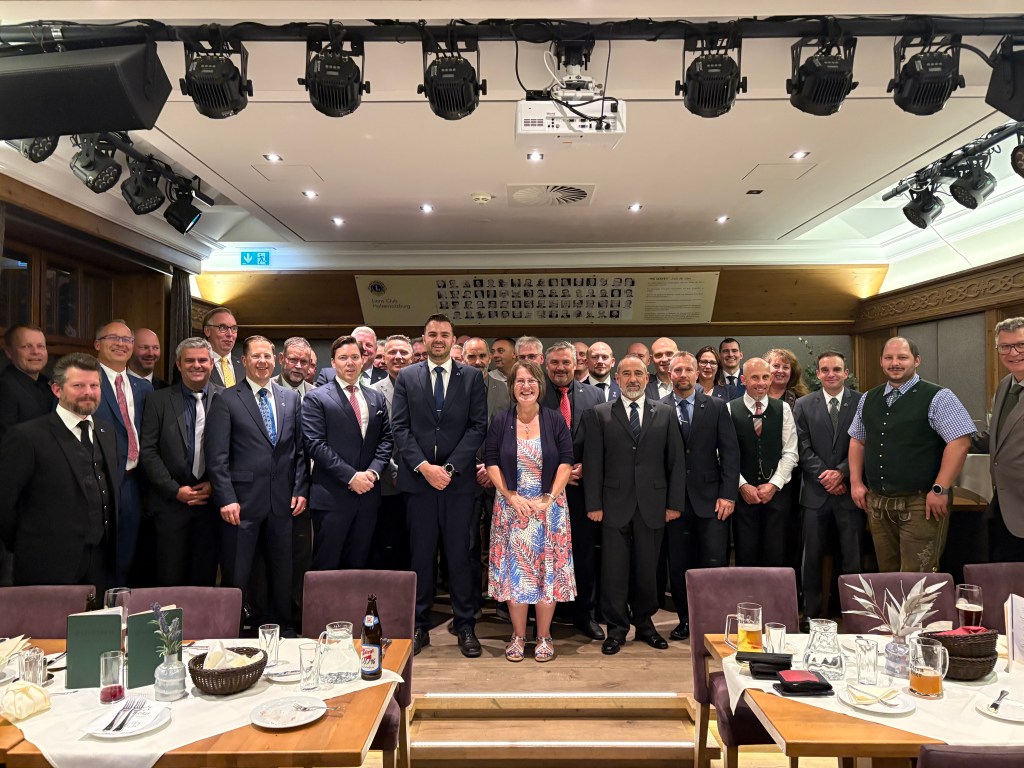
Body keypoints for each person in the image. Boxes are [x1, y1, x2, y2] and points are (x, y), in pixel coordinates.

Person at [391, 314, 488, 657]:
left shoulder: (472, 377)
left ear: (452, 339)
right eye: (432, 334)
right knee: (420, 556)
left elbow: (478, 426)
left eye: (444, 334)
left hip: (457, 484)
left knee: (460, 556)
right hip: (419, 483)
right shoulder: (408, 376)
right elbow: (399, 427)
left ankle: (465, 625)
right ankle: (419, 625)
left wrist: (448, 468)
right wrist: (424, 467)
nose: (438, 339)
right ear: (424, 338)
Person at [206, 335, 309, 632]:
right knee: (238, 571)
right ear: (244, 361)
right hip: (241, 503)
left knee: (282, 570)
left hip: (283, 501)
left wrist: (300, 489)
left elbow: (300, 451)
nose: (262, 361)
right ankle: (233, 629)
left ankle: (281, 627)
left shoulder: (290, 398)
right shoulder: (226, 399)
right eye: (256, 356)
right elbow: (217, 456)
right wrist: (226, 498)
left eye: (267, 356)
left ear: (275, 360)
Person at [583, 355, 686, 655]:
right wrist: (594, 503)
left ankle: (645, 625)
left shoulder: (665, 413)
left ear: (647, 377)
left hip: (653, 505)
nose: (632, 379)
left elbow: (676, 462)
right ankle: (616, 629)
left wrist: (674, 504)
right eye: (626, 373)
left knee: (647, 570)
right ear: (617, 378)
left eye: (638, 373)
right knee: (613, 571)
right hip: (612, 505)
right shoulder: (599, 414)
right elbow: (593, 463)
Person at [848, 337, 974, 572]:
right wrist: (855, 482)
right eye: (889, 358)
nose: (895, 363)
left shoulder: (939, 397)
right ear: (881, 362)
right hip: (878, 504)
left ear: (916, 361)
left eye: (902, 357)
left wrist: (940, 488)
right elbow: (857, 440)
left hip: (921, 503)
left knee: (918, 579)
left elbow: (960, 442)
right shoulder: (868, 398)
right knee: (887, 576)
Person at [0, 353, 119, 587]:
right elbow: (4, 503)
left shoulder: (106, 432)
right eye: (78, 386)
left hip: (100, 559)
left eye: (94, 385)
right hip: (46, 561)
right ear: (57, 390)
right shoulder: (27, 436)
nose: (88, 392)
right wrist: (26, 543)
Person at [485, 361, 575, 662]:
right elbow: (491, 462)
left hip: (549, 510)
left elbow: (566, 461)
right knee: (517, 575)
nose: (526, 386)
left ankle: (545, 636)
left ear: (540, 385)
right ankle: (518, 636)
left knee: (546, 574)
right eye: (520, 381)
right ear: (512, 387)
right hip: (512, 510)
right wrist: (510, 496)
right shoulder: (501, 420)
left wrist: (549, 498)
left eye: (531, 381)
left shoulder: (554, 419)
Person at [662, 351, 739, 640]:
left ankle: (714, 622)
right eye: (677, 370)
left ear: (697, 374)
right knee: (679, 566)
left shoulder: (717, 406)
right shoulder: (659, 407)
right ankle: (686, 620)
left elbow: (730, 453)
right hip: (674, 503)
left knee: (713, 563)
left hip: (712, 500)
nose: (682, 375)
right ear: (670, 374)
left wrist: (728, 495)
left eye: (687, 370)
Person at [302, 335, 393, 570]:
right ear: (333, 362)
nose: (350, 363)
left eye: (355, 357)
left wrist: (372, 473)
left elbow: (386, 440)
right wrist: (351, 477)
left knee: (358, 567)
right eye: (343, 358)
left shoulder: (375, 397)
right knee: (327, 567)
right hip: (332, 497)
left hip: (368, 496)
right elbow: (315, 444)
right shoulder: (316, 398)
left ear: (363, 360)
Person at [139, 337, 221, 586]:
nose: (196, 365)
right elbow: (148, 451)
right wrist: (175, 490)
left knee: (205, 580)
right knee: (169, 578)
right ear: (178, 364)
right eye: (189, 360)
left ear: (211, 363)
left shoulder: (226, 398)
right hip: (170, 505)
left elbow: (235, 450)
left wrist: (214, 485)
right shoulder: (158, 400)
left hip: (211, 505)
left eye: (202, 360)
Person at [541, 341, 605, 639]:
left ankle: (584, 614)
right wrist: (560, 473)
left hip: (583, 489)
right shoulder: (535, 394)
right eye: (555, 363)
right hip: (545, 489)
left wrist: (585, 468)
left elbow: (603, 440)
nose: (560, 368)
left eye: (566, 362)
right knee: (545, 554)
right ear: (546, 365)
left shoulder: (595, 395)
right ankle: (545, 616)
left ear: (577, 363)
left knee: (584, 553)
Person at [793, 352, 863, 619]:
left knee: (852, 558)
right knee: (811, 558)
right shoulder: (803, 404)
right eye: (825, 370)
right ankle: (811, 615)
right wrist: (826, 475)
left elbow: (866, 442)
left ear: (846, 373)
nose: (831, 374)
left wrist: (842, 473)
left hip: (849, 493)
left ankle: (854, 615)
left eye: (836, 369)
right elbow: (801, 446)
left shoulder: (862, 402)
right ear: (818, 374)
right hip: (815, 493)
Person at [94, 319, 152, 584]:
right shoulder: (84, 382)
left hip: (132, 482)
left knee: (126, 558)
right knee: (97, 559)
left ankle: (120, 604)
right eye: (113, 338)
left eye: (127, 340)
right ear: (97, 344)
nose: (121, 344)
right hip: (97, 482)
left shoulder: (143, 388)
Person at [727, 358, 799, 567]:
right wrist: (742, 485)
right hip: (743, 498)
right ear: (743, 380)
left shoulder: (783, 409)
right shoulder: (730, 409)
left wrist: (773, 485)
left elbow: (791, 453)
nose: (761, 383)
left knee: (776, 557)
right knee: (746, 556)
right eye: (755, 378)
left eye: (765, 377)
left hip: (777, 497)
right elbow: (724, 454)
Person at [972, 317, 1024, 562]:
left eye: (1021, 345)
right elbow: (997, 437)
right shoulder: (1005, 385)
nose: (1013, 353)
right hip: (1004, 506)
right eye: (1005, 346)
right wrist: (954, 439)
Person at [371, 335, 414, 570]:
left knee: (417, 547)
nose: (398, 357)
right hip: (388, 482)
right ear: (383, 358)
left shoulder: (425, 388)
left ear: (412, 357)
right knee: (389, 545)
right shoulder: (373, 393)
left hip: (421, 479)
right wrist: (394, 472)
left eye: (403, 352)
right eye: (392, 352)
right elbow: (374, 441)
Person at [0, 324, 55, 443]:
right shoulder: (4, 387)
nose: (35, 352)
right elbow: (6, 442)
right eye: (26, 346)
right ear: (9, 352)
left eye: (41, 346)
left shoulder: (49, 384)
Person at [203, 307, 244, 388]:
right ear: (207, 331)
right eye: (223, 328)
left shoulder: (245, 366)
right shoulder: (197, 365)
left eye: (234, 328)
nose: (230, 334)